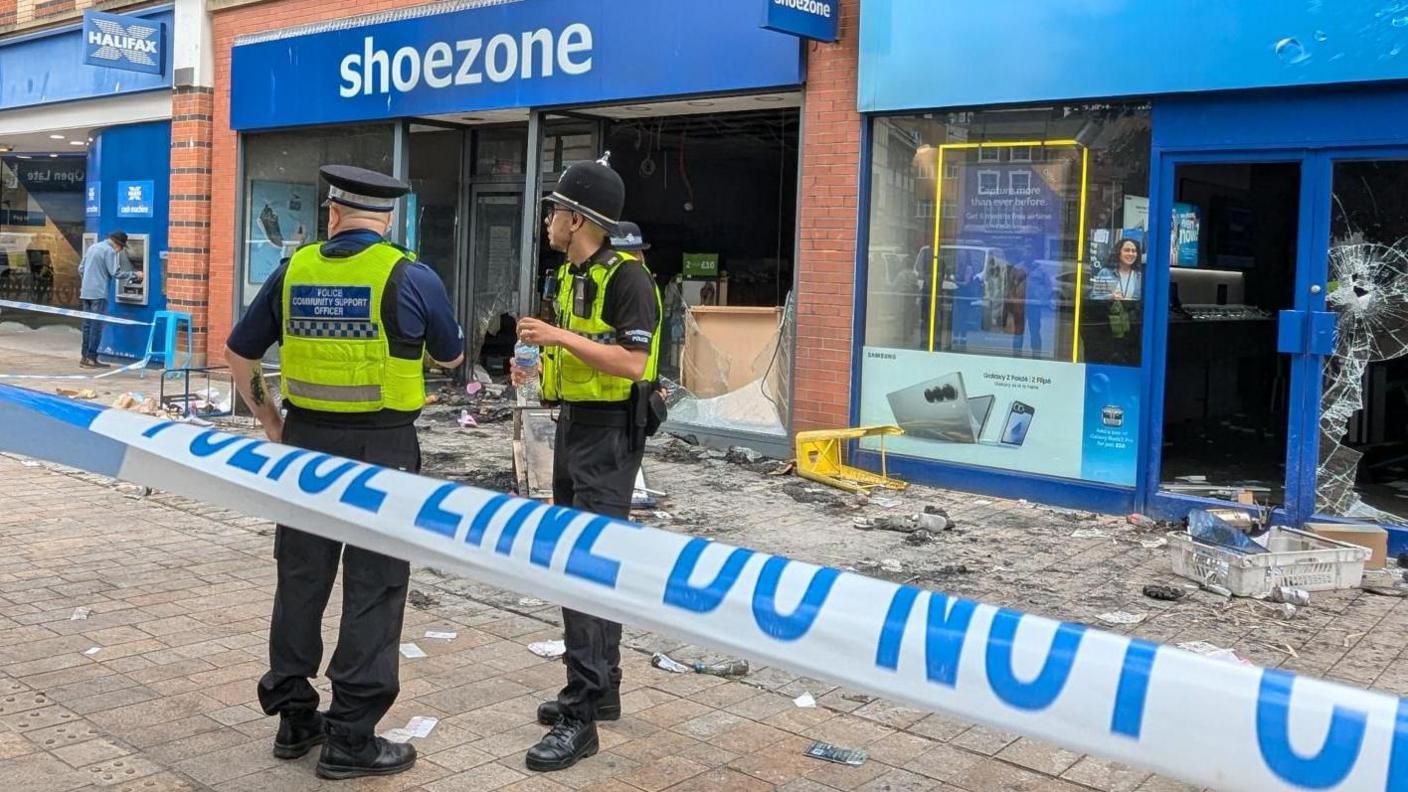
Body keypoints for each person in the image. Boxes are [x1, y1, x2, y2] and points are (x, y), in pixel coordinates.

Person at [225, 165, 464, 781]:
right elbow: (452, 354)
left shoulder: (294, 270)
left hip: (304, 447)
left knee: (300, 578)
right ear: (390, 219)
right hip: (383, 451)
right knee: (376, 587)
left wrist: (273, 423)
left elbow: (238, 351)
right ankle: (350, 738)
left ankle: (294, 718)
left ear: (332, 213)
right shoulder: (411, 275)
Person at [512, 157, 662, 773]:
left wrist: (558, 339)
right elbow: (575, 352)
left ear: (577, 218)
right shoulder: (573, 274)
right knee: (584, 563)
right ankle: (602, 690)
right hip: (574, 426)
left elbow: (632, 364)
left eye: (554, 210)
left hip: (608, 437)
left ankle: (580, 715)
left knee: (584, 567)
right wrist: (535, 364)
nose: (548, 220)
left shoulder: (629, 278)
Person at [77, 231, 139, 368]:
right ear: (119, 245)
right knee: (96, 326)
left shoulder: (93, 247)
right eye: (121, 248)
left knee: (87, 326)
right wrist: (135, 274)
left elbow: (80, 268)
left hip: (86, 292)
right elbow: (115, 273)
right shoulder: (109, 251)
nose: (120, 251)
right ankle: (92, 359)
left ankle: (84, 357)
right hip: (99, 294)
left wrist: (89, 281)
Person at [1087, 237, 1144, 365]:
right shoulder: (1105, 273)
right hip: (1110, 327)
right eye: (1127, 250)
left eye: (1134, 251)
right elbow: (1094, 296)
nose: (1131, 254)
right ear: (1119, 252)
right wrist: (1109, 297)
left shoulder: (1140, 275)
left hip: (1133, 328)